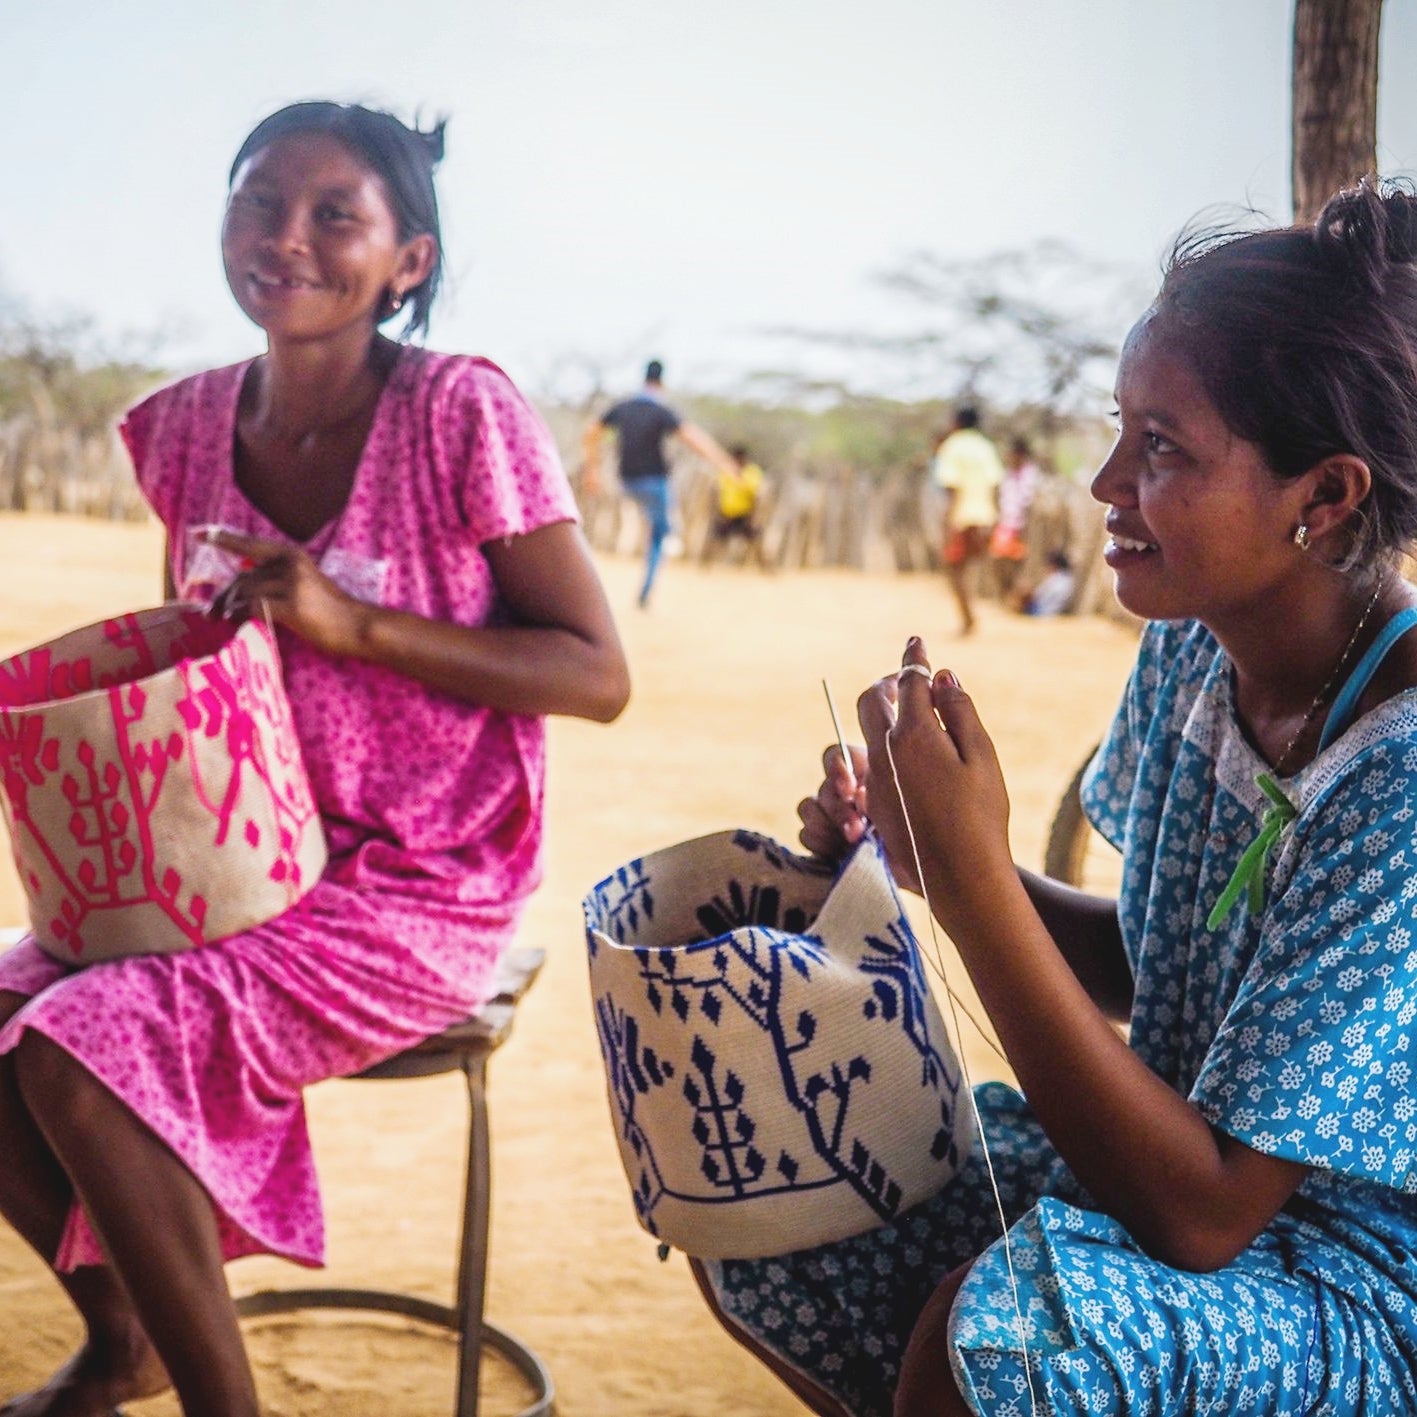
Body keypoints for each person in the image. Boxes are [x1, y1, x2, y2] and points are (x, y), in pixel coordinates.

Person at [691, 179, 1417, 1416]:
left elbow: (1204, 1214)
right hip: (1176, 1176)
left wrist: (977, 888)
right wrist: (927, 856)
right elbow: (1151, 964)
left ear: (1326, 496)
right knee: (783, 1161)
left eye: (1164, 449)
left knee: (1020, 1336)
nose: (1104, 483)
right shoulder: (1197, 651)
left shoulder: (1398, 775)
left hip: (1354, 1283)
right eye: (1120, 427)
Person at [0, 101, 630, 1417]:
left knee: (74, 1045)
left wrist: (357, 625)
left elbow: (595, 670)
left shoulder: (462, 413)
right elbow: (183, 670)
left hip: (419, 881)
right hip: (227, 853)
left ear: (407, 259)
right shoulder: (180, 431)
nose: (285, 238)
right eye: (256, 202)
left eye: (335, 213)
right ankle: (127, 1341)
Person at [582, 360, 733, 607]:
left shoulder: (624, 407)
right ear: (662, 383)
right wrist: (724, 462)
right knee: (660, 534)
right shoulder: (661, 411)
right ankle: (667, 542)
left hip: (628, 481)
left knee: (656, 527)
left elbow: (591, 431)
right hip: (653, 482)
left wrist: (592, 469)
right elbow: (693, 438)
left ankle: (665, 535)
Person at [932, 407, 1004, 635]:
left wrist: (947, 520)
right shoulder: (986, 447)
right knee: (983, 563)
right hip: (986, 515)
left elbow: (951, 486)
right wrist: (995, 515)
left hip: (962, 517)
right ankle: (997, 603)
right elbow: (995, 484)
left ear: (956, 422)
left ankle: (968, 618)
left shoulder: (952, 446)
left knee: (954, 569)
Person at [989, 435, 1041, 596]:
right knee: (999, 558)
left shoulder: (1031, 474)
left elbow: (1031, 501)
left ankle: (1016, 597)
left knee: (1020, 562)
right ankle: (1008, 592)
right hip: (1007, 524)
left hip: (1025, 526)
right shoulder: (1008, 474)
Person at [701, 443, 767, 566]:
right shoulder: (726, 471)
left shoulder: (752, 472)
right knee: (715, 538)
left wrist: (754, 516)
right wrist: (718, 511)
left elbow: (756, 495)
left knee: (756, 539)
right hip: (727, 514)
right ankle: (705, 565)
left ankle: (765, 567)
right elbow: (718, 492)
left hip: (746, 514)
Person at [1016, 548, 1076, 616]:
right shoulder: (1068, 579)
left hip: (1042, 612)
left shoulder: (1056, 579)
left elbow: (1038, 596)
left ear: (1054, 565)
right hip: (1053, 612)